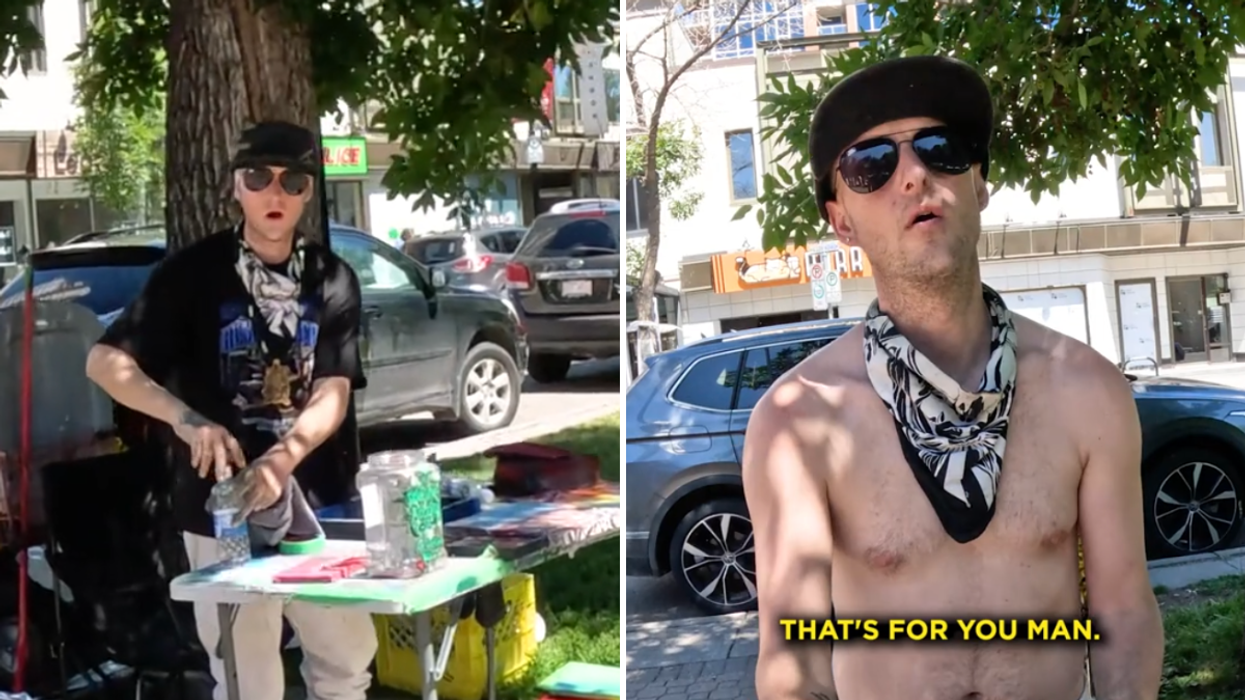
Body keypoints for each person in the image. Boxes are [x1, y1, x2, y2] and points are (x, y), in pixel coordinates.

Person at [742, 56, 1162, 700]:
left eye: (941, 150)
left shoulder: (1089, 392)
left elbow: (1124, 614)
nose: (913, 175)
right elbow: (793, 659)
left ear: (980, 183)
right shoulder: (798, 423)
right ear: (842, 220)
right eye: (870, 165)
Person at [85, 120, 376, 700]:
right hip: (219, 506)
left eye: (292, 180)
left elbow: (334, 391)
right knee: (247, 676)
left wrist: (284, 458)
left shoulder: (333, 278)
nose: (275, 193)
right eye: (257, 177)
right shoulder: (190, 275)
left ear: (308, 192)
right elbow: (105, 363)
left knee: (345, 660)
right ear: (235, 187)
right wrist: (184, 418)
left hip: (317, 497)